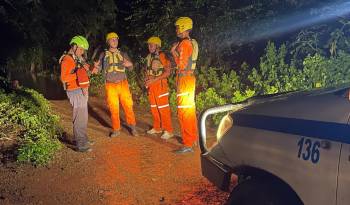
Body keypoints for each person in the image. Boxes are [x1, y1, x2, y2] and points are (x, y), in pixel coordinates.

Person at [95, 32, 139, 137]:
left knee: (128, 106)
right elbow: (97, 70)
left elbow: (131, 67)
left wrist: (130, 65)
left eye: (116, 39)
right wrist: (95, 67)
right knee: (113, 107)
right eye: (112, 39)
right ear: (108, 41)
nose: (115, 41)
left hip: (123, 83)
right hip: (110, 85)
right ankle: (116, 129)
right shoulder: (103, 55)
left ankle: (133, 127)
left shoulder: (123, 54)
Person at [60, 35, 96, 152]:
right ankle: (81, 145)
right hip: (74, 91)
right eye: (81, 49)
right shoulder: (67, 59)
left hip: (81, 89)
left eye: (83, 50)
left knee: (83, 116)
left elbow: (85, 67)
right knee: (79, 117)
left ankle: (83, 139)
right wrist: (79, 74)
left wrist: (91, 69)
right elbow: (64, 78)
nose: (82, 52)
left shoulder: (77, 58)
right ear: (74, 46)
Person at [171, 17, 199, 154]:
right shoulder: (189, 42)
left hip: (185, 81)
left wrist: (173, 52)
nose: (176, 30)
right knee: (189, 110)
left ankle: (188, 144)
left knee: (184, 111)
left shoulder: (185, 44)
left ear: (183, 27)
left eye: (177, 27)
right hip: (188, 79)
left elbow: (180, 65)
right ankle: (193, 139)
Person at [144, 36, 174, 139]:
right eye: (148, 45)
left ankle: (168, 130)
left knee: (163, 109)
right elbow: (147, 71)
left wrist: (154, 80)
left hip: (160, 85)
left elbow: (168, 72)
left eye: (151, 45)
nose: (149, 46)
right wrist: (147, 81)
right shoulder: (149, 56)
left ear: (157, 46)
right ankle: (157, 128)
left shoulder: (163, 56)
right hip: (151, 86)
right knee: (154, 108)